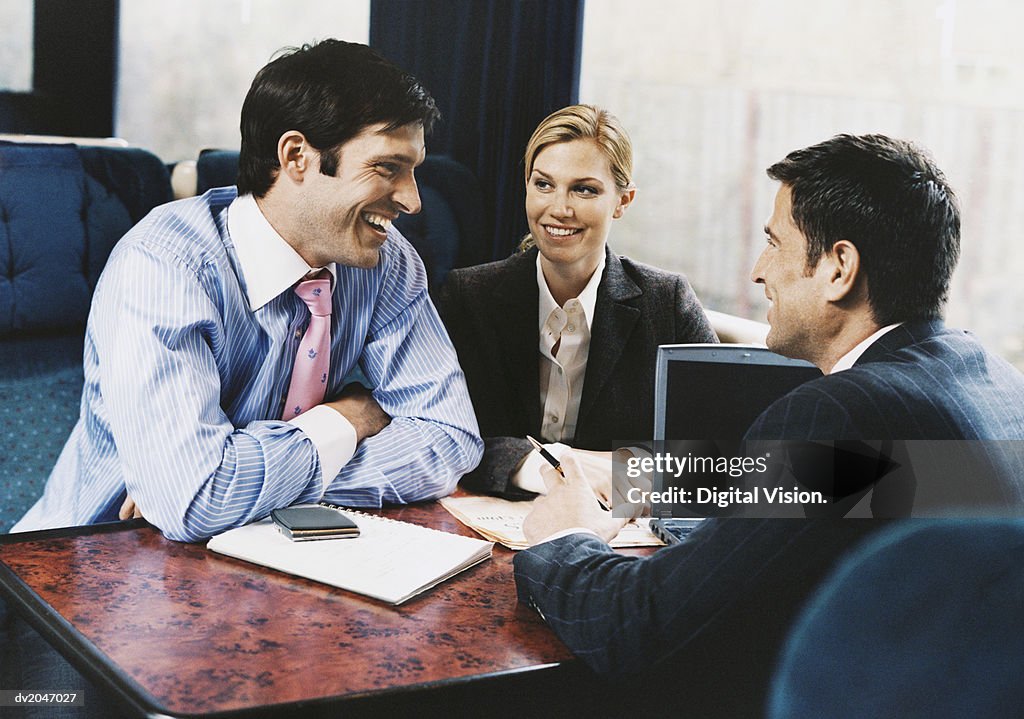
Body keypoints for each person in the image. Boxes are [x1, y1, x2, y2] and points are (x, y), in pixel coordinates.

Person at [512, 134, 1024, 716]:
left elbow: (639, 626)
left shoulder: (842, 410)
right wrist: (647, 476)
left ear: (838, 268)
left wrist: (563, 537)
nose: (759, 272)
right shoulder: (991, 381)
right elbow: (869, 486)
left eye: (774, 243)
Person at [13, 39, 482, 543]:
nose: (413, 201)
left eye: (415, 171)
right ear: (297, 155)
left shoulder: (387, 263)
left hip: (258, 559)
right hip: (89, 561)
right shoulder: (162, 266)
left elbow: (450, 439)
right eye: (388, 168)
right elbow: (195, 500)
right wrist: (351, 416)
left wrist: (234, 482)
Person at [436, 104, 716, 500]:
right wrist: (548, 468)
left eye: (584, 189)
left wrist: (614, 478)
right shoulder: (468, 296)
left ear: (623, 201)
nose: (559, 209)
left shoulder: (666, 302)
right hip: (488, 521)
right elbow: (440, 430)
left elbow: (713, 459)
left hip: (616, 534)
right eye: (544, 184)